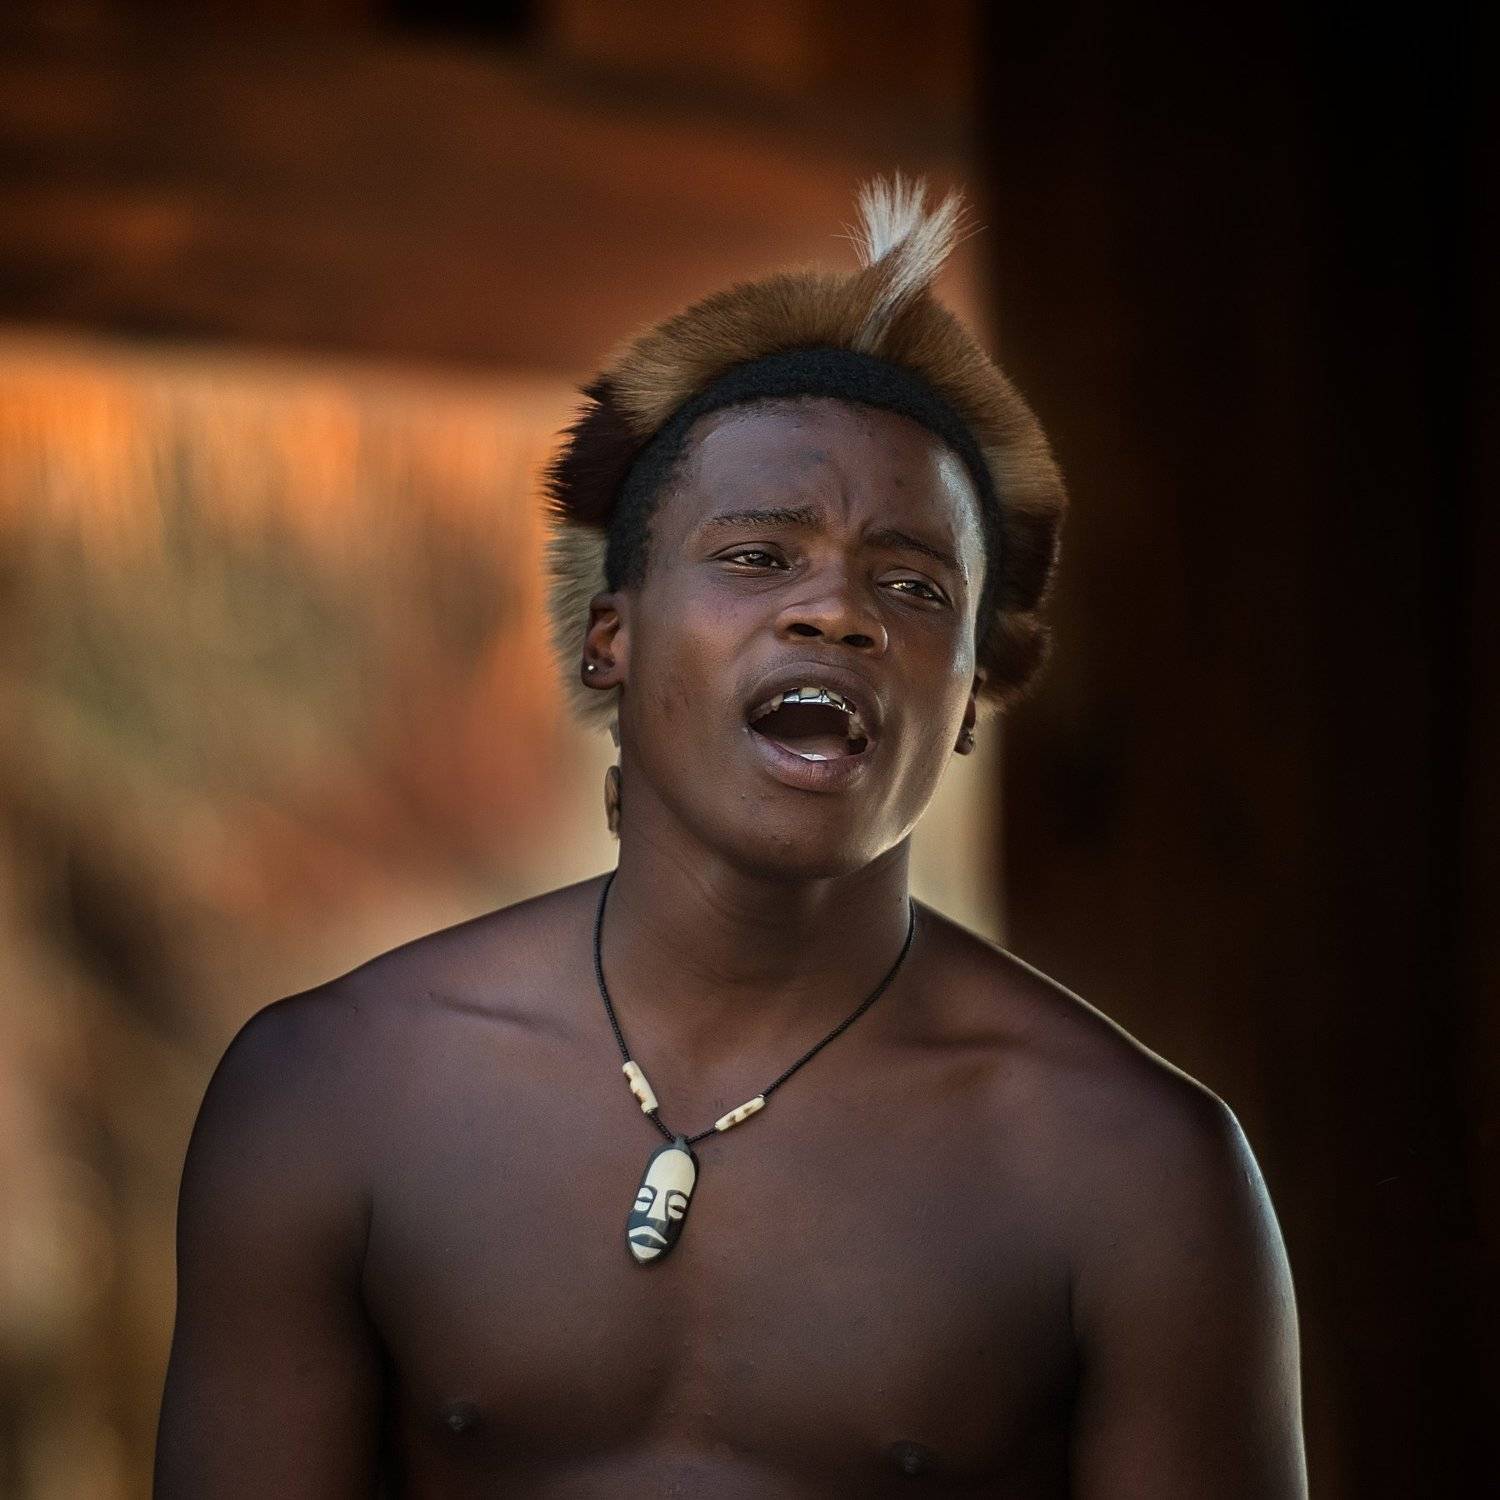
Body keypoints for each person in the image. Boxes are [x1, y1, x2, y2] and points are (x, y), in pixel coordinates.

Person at [153, 178, 1307, 1497]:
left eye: (913, 585)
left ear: (971, 698)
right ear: (613, 635)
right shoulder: (335, 1090)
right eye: (760, 557)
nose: (838, 613)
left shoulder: (1134, 1172)